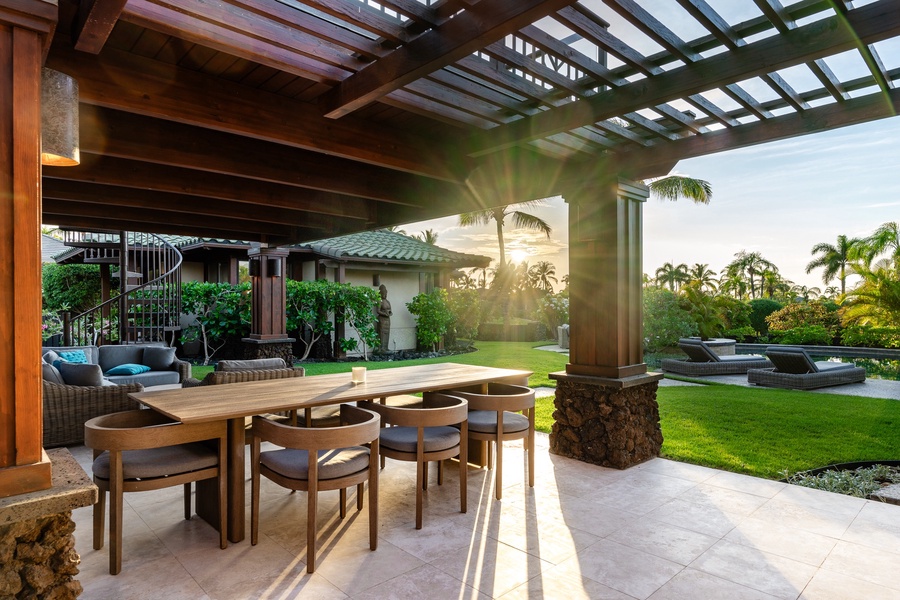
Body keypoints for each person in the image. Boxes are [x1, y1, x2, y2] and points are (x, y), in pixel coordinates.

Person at [376, 284, 392, 353]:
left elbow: (390, 310)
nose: (385, 294)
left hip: (387, 320)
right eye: (383, 293)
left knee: (387, 333)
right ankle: (381, 348)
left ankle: (386, 347)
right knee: (381, 333)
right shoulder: (379, 301)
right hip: (382, 320)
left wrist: (390, 313)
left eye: (386, 293)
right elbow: (378, 311)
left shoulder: (387, 302)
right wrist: (384, 314)